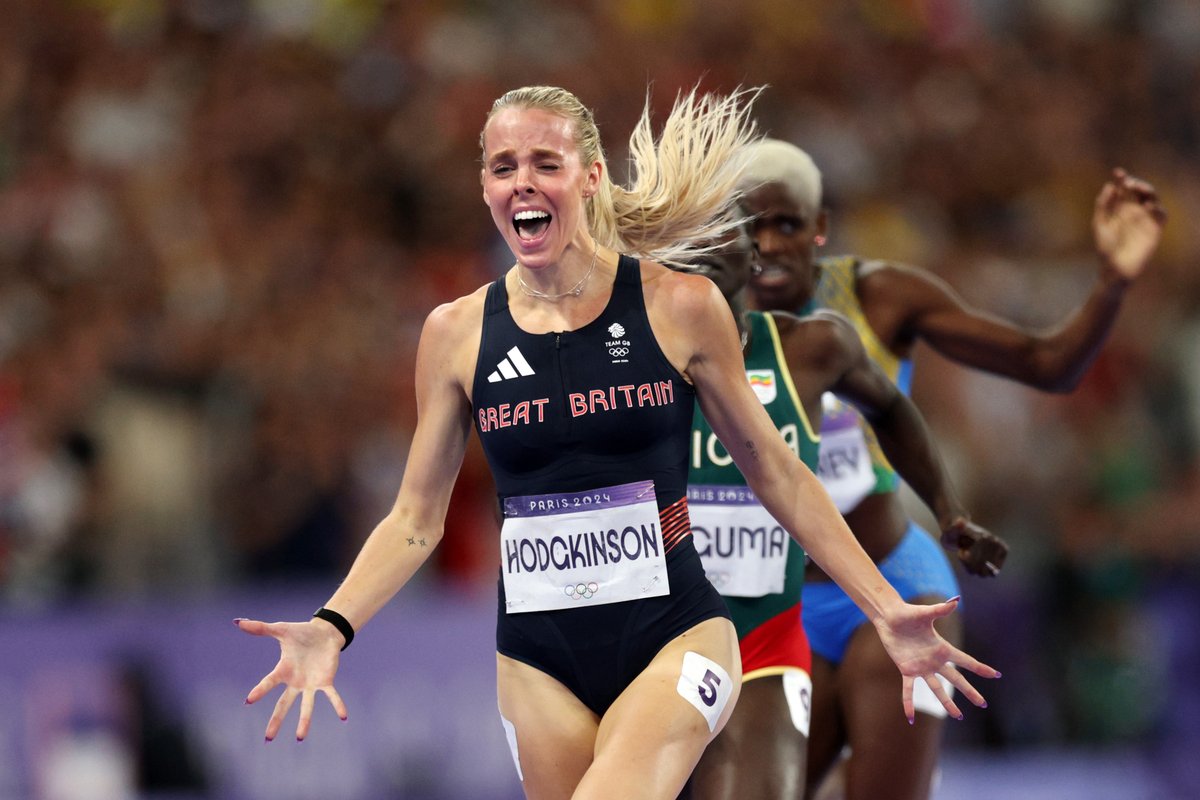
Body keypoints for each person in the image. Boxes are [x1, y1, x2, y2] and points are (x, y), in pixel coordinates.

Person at [235, 87, 999, 800]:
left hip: (676, 636)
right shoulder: (455, 334)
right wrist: (333, 624)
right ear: (485, 189)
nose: (523, 182)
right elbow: (414, 520)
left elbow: (778, 472)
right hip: (537, 660)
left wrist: (886, 607)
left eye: (546, 163)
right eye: (503, 167)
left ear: (591, 176)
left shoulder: (677, 305)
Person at [741, 138, 1167, 800]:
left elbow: (1048, 364)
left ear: (819, 228)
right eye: (749, 226)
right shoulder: (702, 320)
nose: (767, 244)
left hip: (896, 588)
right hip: (779, 601)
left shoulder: (878, 299)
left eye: (787, 224)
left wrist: (1113, 282)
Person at [678, 225, 1007, 799]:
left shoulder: (815, 346)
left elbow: (892, 409)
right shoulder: (642, 365)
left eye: (786, 227)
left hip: (891, 585)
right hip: (766, 609)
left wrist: (949, 514)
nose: (704, 250)